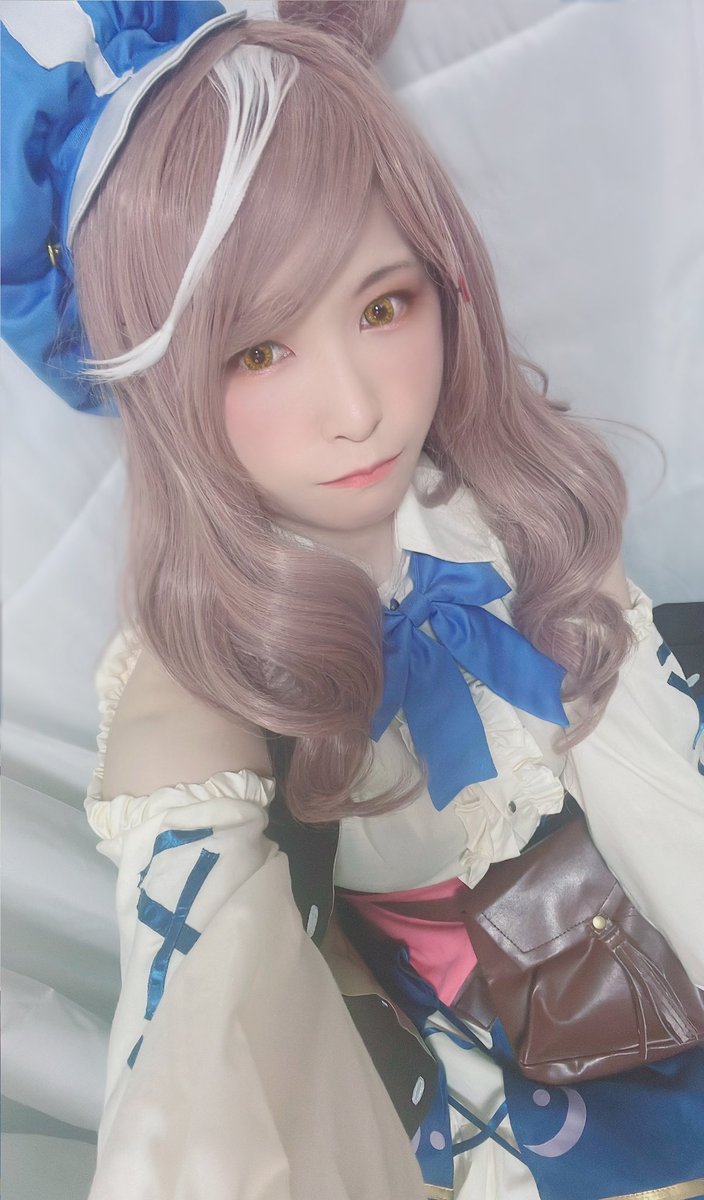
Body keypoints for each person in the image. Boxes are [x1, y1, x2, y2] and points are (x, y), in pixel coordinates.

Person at [3, 3, 704, 1198]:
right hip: (465, 1085)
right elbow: (198, 998)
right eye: (254, 351)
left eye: (382, 307)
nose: (357, 408)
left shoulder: (504, 514)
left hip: (645, 968)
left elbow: (659, 777)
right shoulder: (201, 651)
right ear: (161, 382)